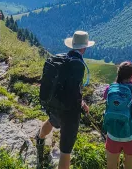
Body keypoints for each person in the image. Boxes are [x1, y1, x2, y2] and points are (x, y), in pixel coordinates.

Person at [36, 31, 94, 169]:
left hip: (54, 102)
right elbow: (75, 90)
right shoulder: (78, 65)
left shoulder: (60, 58)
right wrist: (82, 103)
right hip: (69, 111)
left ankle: (39, 138)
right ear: (84, 48)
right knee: (66, 151)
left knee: (53, 120)